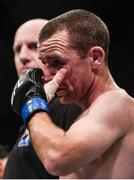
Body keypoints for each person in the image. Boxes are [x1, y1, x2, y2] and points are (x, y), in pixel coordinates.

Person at [11, 9, 134, 179]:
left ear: (95, 58)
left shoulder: (117, 102)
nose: (46, 76)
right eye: (44, 63)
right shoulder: (84, 116)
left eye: (57, 62)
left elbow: (56, 159)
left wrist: (32, 102)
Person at [3, 18, 82, 179]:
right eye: (17, 50)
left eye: (33, 46)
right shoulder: (35, 114)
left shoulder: (70, 105)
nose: (22, 56)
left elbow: (63, 161)